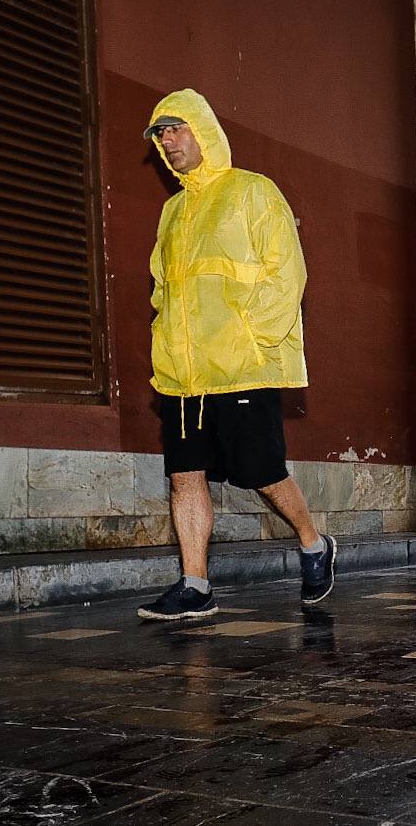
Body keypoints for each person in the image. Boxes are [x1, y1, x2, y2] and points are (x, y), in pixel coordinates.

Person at [136, 89, 335, 621]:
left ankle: (314, 543)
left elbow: (286, 271)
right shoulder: (173, 211)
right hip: (183, 374)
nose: (167, 141)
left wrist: (254, 337)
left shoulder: (253, 191)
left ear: (203, 129)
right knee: (185, 474)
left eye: (175, 128)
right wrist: (166, 341)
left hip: (243, 364)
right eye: (159, 134)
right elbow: (163, 288)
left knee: (261, 470)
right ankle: (195, 585)